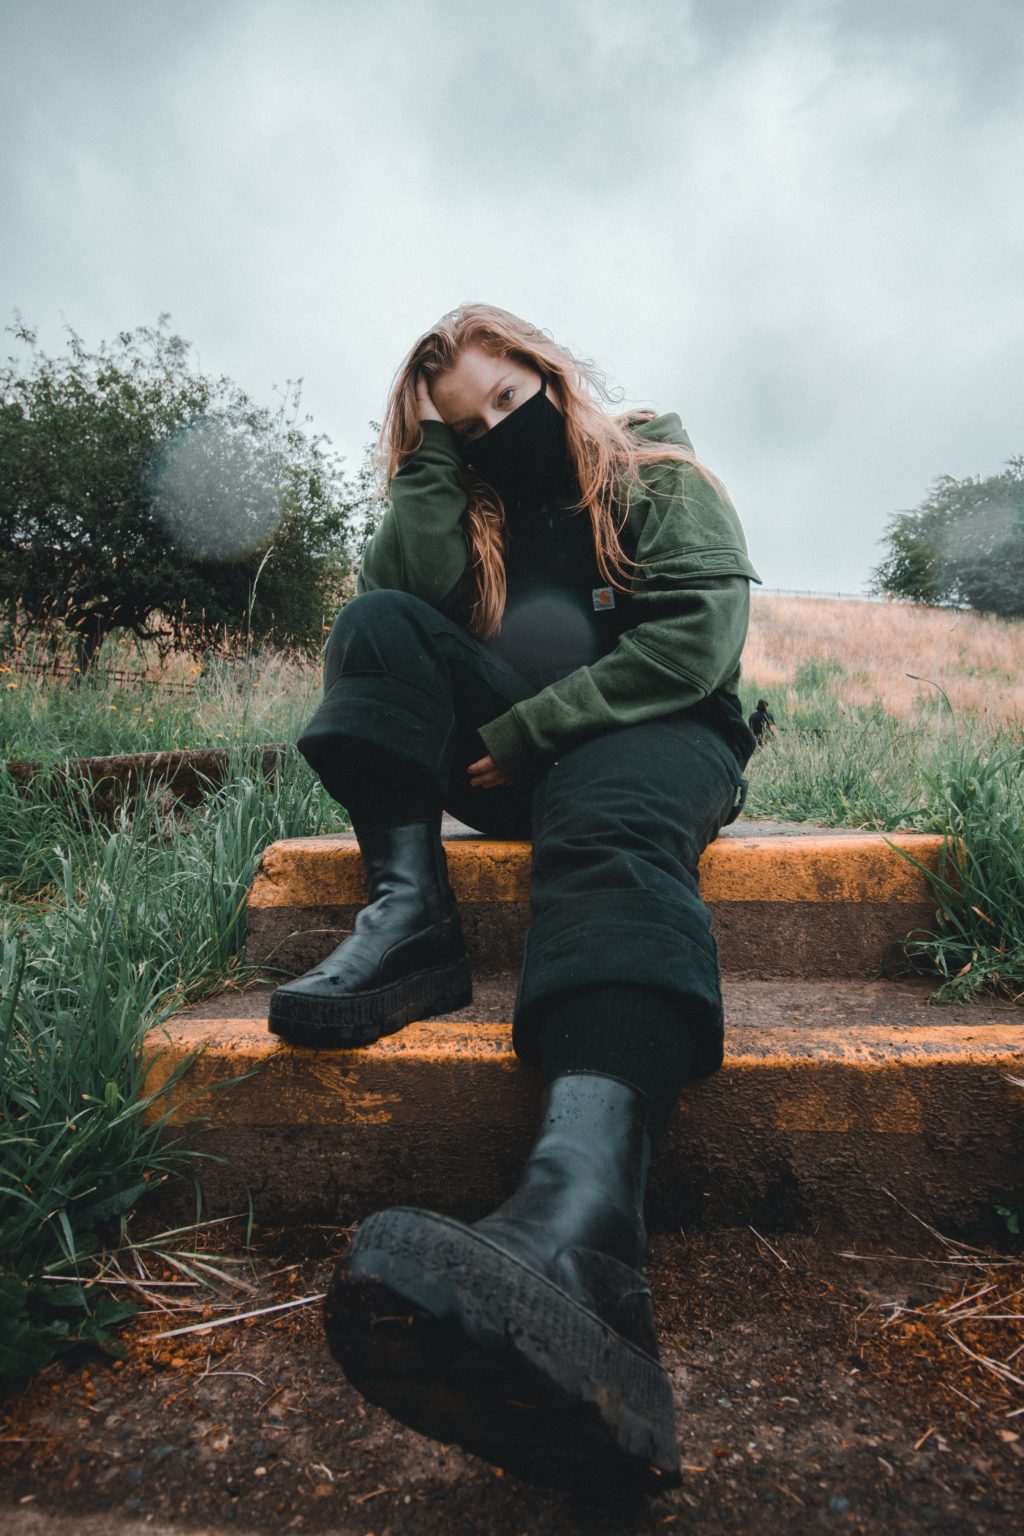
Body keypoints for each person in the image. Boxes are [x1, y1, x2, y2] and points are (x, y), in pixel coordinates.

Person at [269, 304, 761, 1492]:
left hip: (651, 742)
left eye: (506, 398)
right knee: (376, 624)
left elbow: (693, 644)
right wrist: (434, 461)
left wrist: (537, 727)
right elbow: (397, 596)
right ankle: (409, 921)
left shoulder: (657, 473)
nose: (498, 429)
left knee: (606, 821)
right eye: (465, 424)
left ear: (548, 373)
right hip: (504, 760)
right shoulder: (473, 503)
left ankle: (581, 1229)